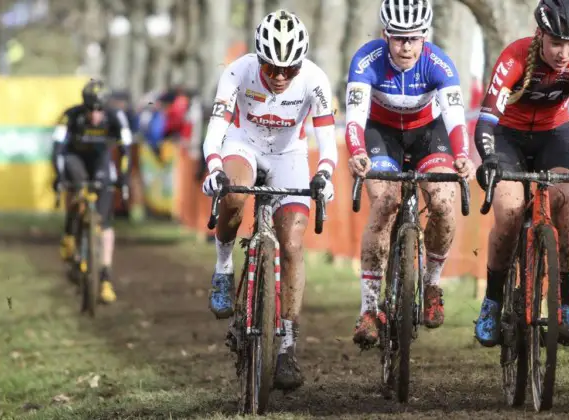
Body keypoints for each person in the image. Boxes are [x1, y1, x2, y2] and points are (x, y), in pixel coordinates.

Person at [200, 10, 337, 391]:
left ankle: (287, 348)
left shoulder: (314, 80)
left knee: (292, 244)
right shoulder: (237, 72)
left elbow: (327, 143)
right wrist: (214, 168)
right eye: (271, 68)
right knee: (234, 194)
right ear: (259, 60)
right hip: (243, 145)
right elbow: (215, 132)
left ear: (300, 65)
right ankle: (224, 268)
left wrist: (324, 173)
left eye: (288, 70)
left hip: (289, 155)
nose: (279, 77)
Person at [473, 0, 569, 347]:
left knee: (564, 199)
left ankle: (564, 304)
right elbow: (486, 121)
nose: (564, 53)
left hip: (554, 135)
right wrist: (490, 158)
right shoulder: (516, 56)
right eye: (557, 43)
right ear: (540, 35)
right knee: (509, 211)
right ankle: (492, 301)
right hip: (508, 136)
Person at [344, 0, 473, 347]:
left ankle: (431, 283)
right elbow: (354, 119)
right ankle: (369, 309)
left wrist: (462, 156)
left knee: (444, 202)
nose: (406, 47)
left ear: (424, 37)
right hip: (380, 136)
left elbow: (456, 120)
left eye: (414, 39)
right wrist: (357, 152)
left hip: (428, 135)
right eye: (399, 38)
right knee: (385, 202)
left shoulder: (439, 63)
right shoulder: (366, 60)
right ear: (386, 35)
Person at [52, 79, 133, 304]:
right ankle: (70, 233)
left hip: (100, 162)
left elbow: (125, 149)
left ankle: (105, 277)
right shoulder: (71, 115)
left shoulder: (116, 116)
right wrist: (59, 177)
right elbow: (57, 148)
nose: (94, 115)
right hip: (75, 159)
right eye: (90, 109)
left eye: (99, 110)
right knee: (76, 188)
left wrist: (123, 179)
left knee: (106, 223)